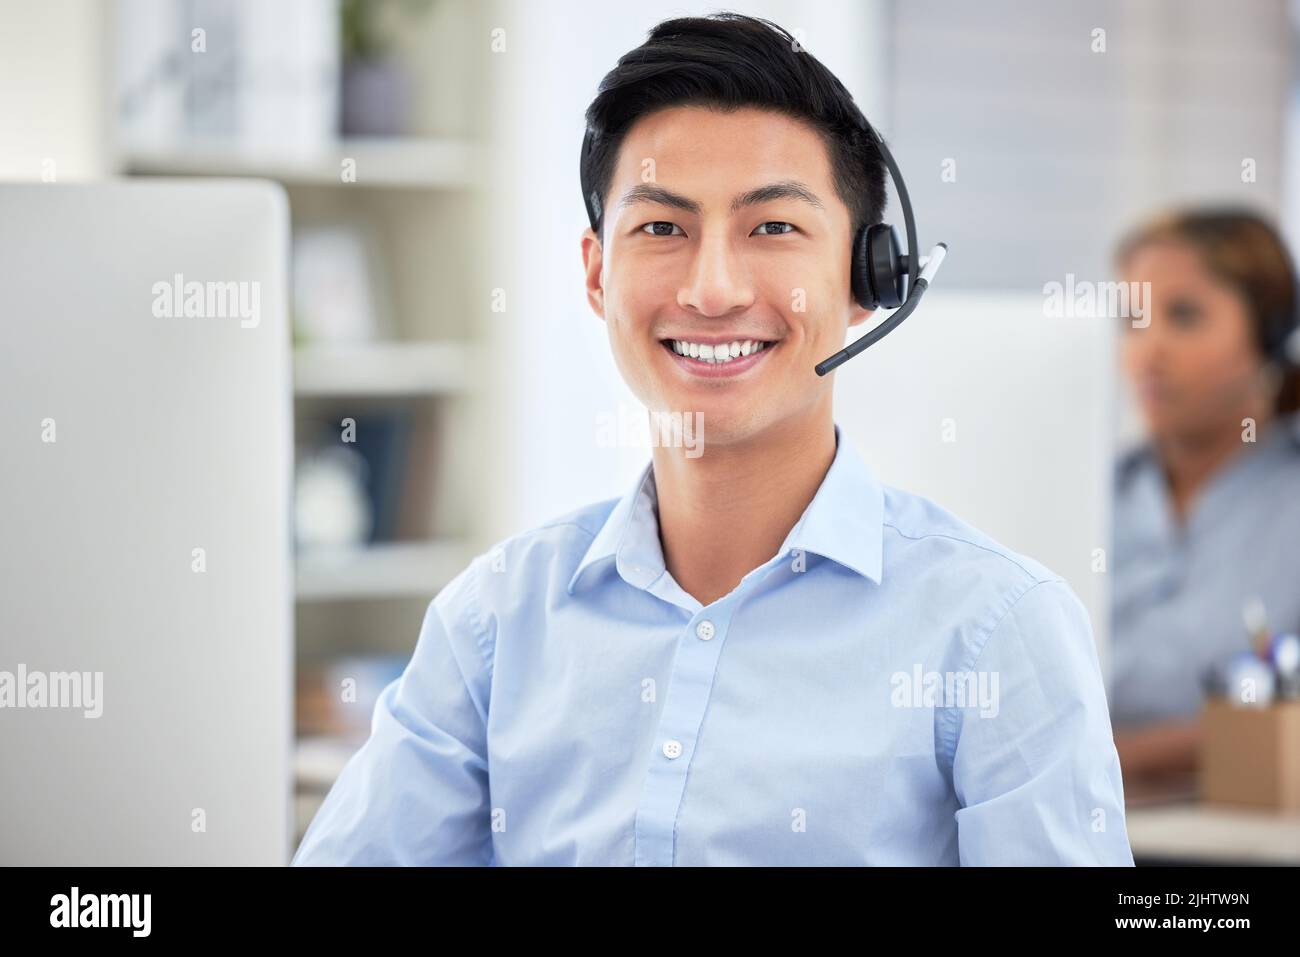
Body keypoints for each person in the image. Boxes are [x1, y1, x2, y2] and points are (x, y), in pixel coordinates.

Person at [293, 12, 1132, 866]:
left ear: (866, 279)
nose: (714, 287)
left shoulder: (996, 632)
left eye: (773, 228)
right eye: (662, 228)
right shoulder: (496, 624)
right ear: (596, 273)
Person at [1109, 208, 1300, 779]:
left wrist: (1115, 761)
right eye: (1132, 320)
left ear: (1267, 332)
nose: (1148, 351)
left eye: (1184, 316)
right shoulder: (1096, 490)